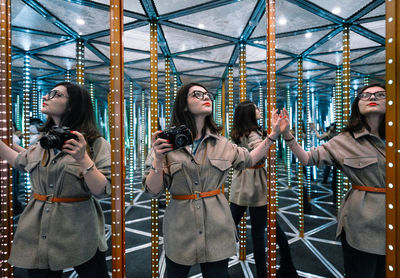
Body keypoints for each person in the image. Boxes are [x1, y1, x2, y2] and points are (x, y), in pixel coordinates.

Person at [143, 83, 283, 278]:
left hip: (218, 229)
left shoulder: (221, 143)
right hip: (180, 230)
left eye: (206, 94)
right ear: (184, 105)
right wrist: (158, 159)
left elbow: (249, 158)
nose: (204, 97)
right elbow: (153, 191)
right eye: (196, 95)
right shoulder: (167, 144)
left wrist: (272, 137)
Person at [0, 82, 111, 278]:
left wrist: (83, 158)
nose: (46, 97)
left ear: (72, 105)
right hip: (37, 226)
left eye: (55, 95)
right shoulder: (45, 140)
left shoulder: (96, 143)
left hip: (79, 228)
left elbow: (102, 191)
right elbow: (21, 161)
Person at [281, 83, 386, 278]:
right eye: (365, 95)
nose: (372, 97)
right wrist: (287, 135)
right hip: (362, 222)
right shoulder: (346, 139)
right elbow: (307, 158)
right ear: (357, 104)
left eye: (380, 94)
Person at [230, 100, 298, 278]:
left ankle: (220, 267)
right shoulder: (253, 133)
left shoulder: (239, 132)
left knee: (229, 227)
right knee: (260, 231)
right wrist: (270, 139)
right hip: (256, 183)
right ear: (250, 114)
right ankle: (271, 270)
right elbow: (258, 157)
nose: (260, 110)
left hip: (240, 184)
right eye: (257, 109)